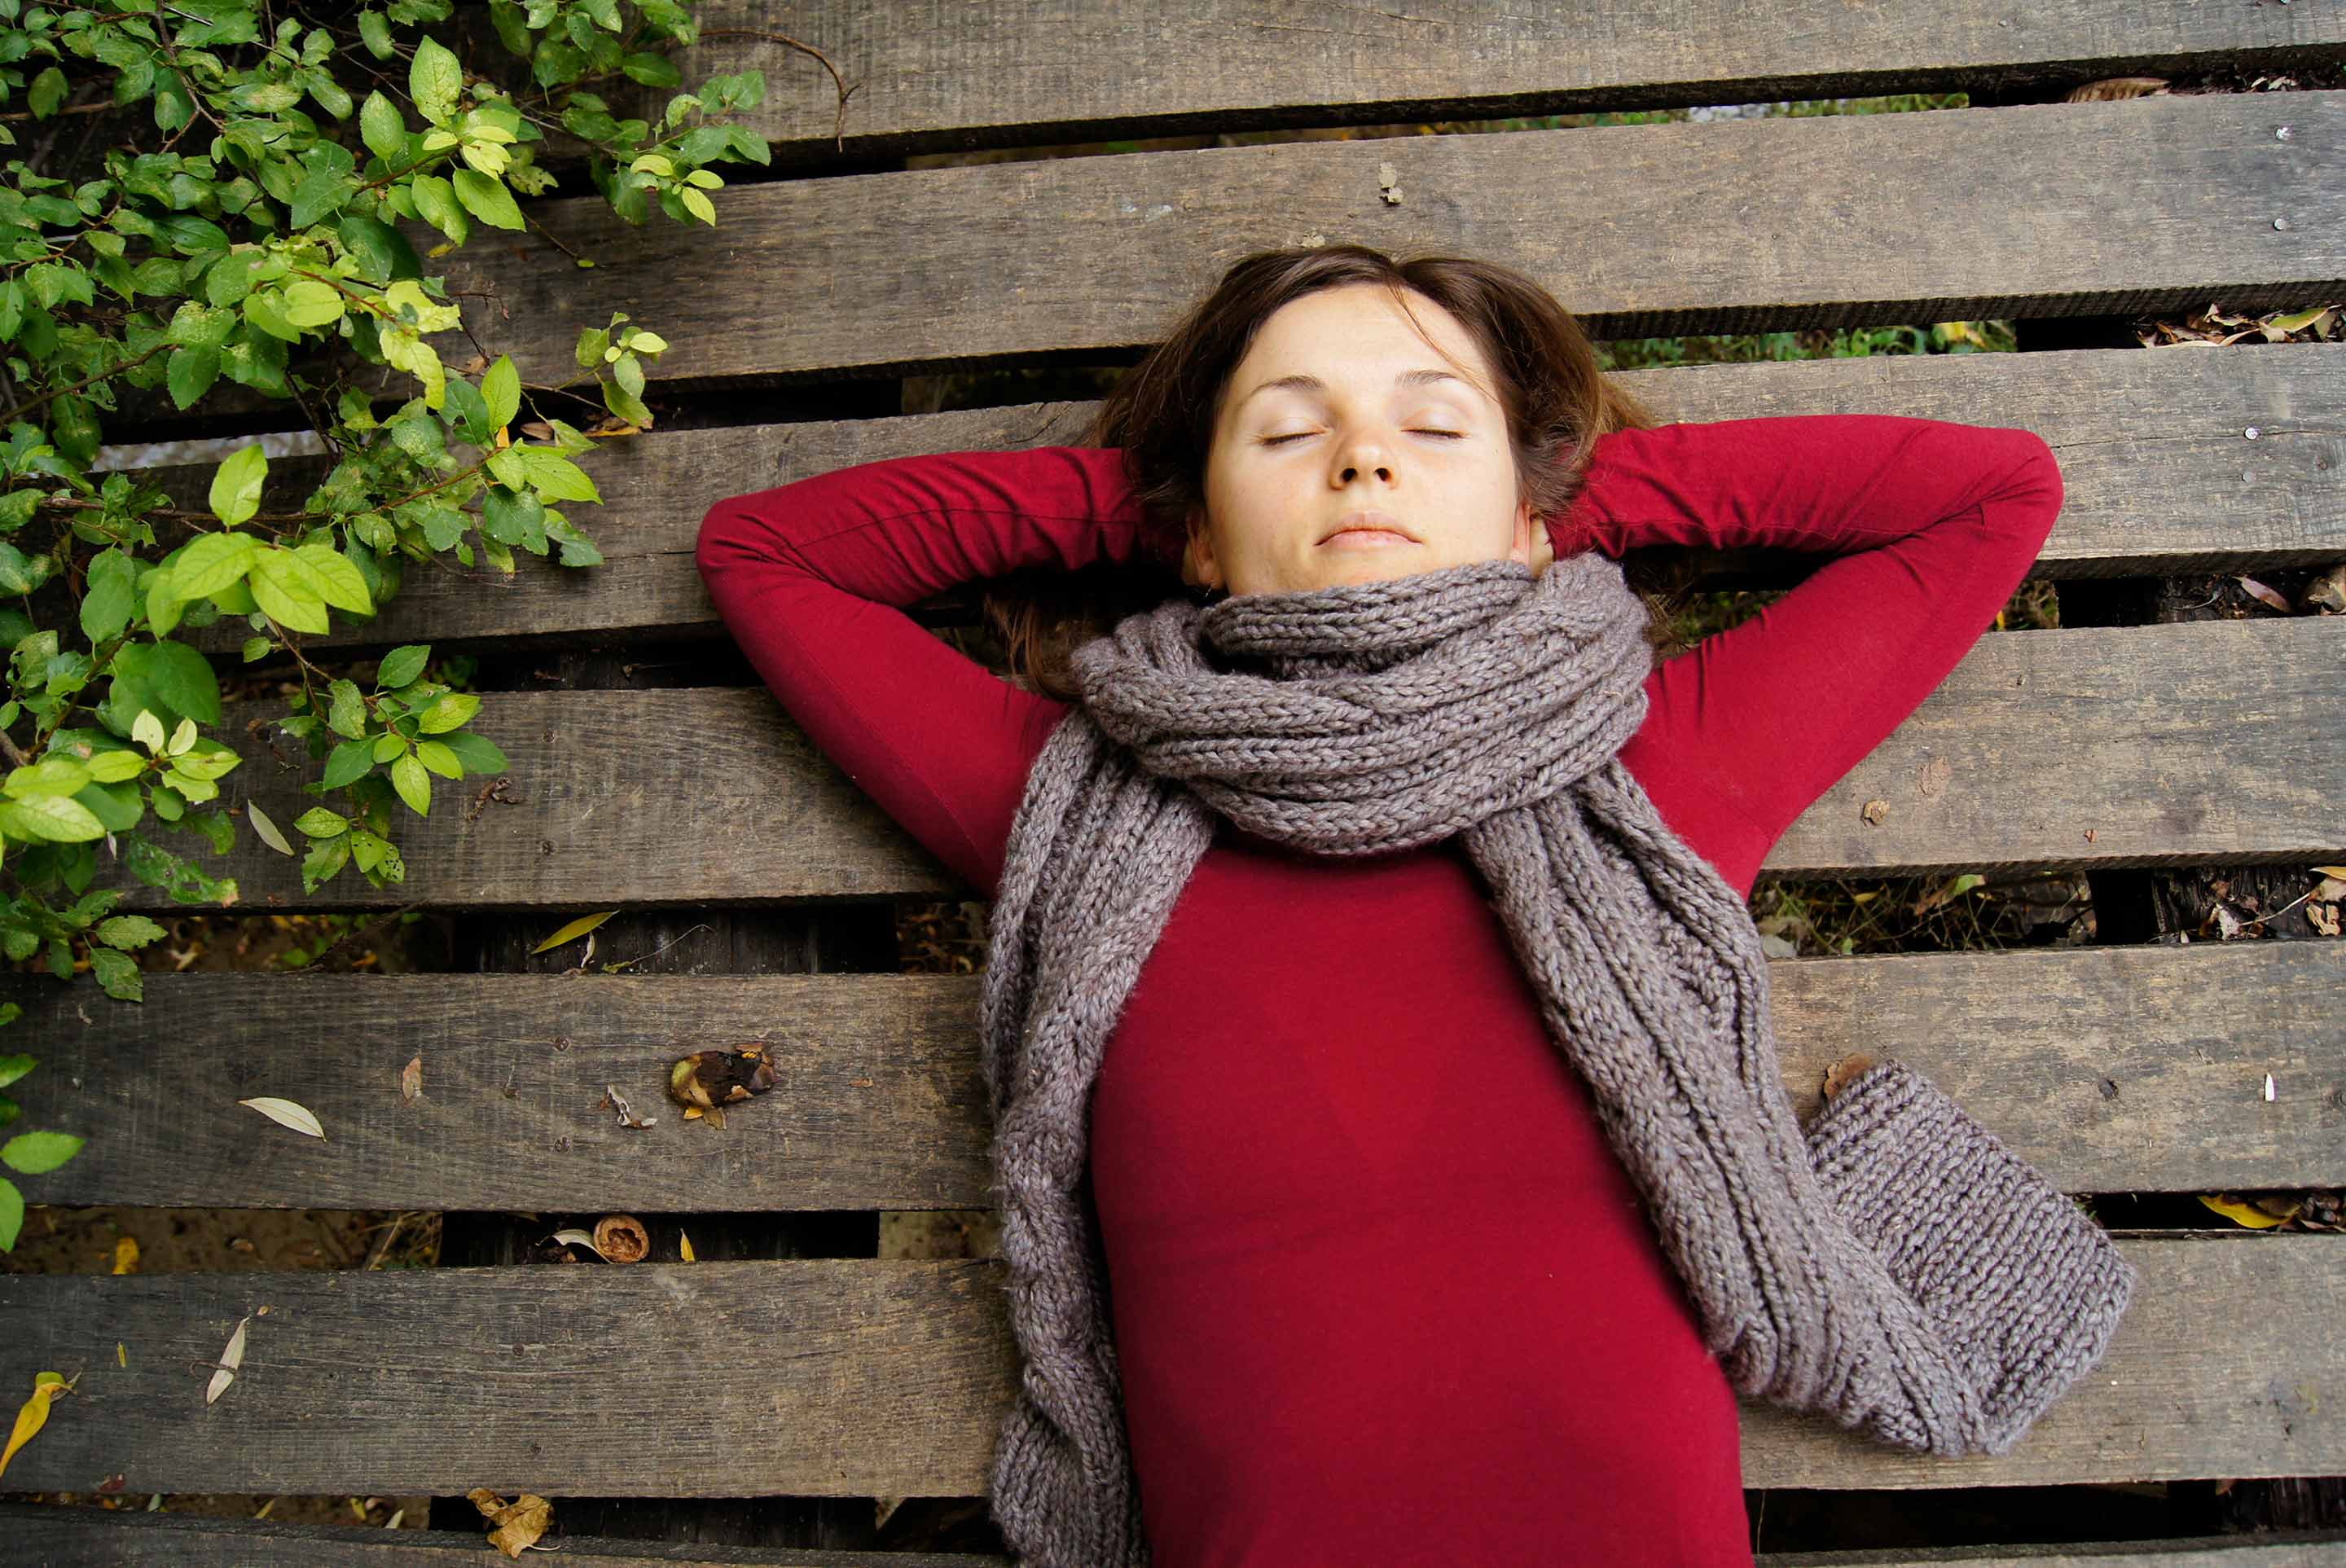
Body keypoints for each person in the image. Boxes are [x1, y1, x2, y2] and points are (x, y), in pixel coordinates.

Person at [696, 244, 2068, 1567]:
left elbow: (1990, 494)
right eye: (1291, 433)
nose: (1364, 458)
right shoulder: (1083, 813)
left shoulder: (1650, 770)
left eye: (1431, 425)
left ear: (1534, 512)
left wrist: (1546, 509)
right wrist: (1180, 517)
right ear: (1198, 534)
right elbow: (765, 554)